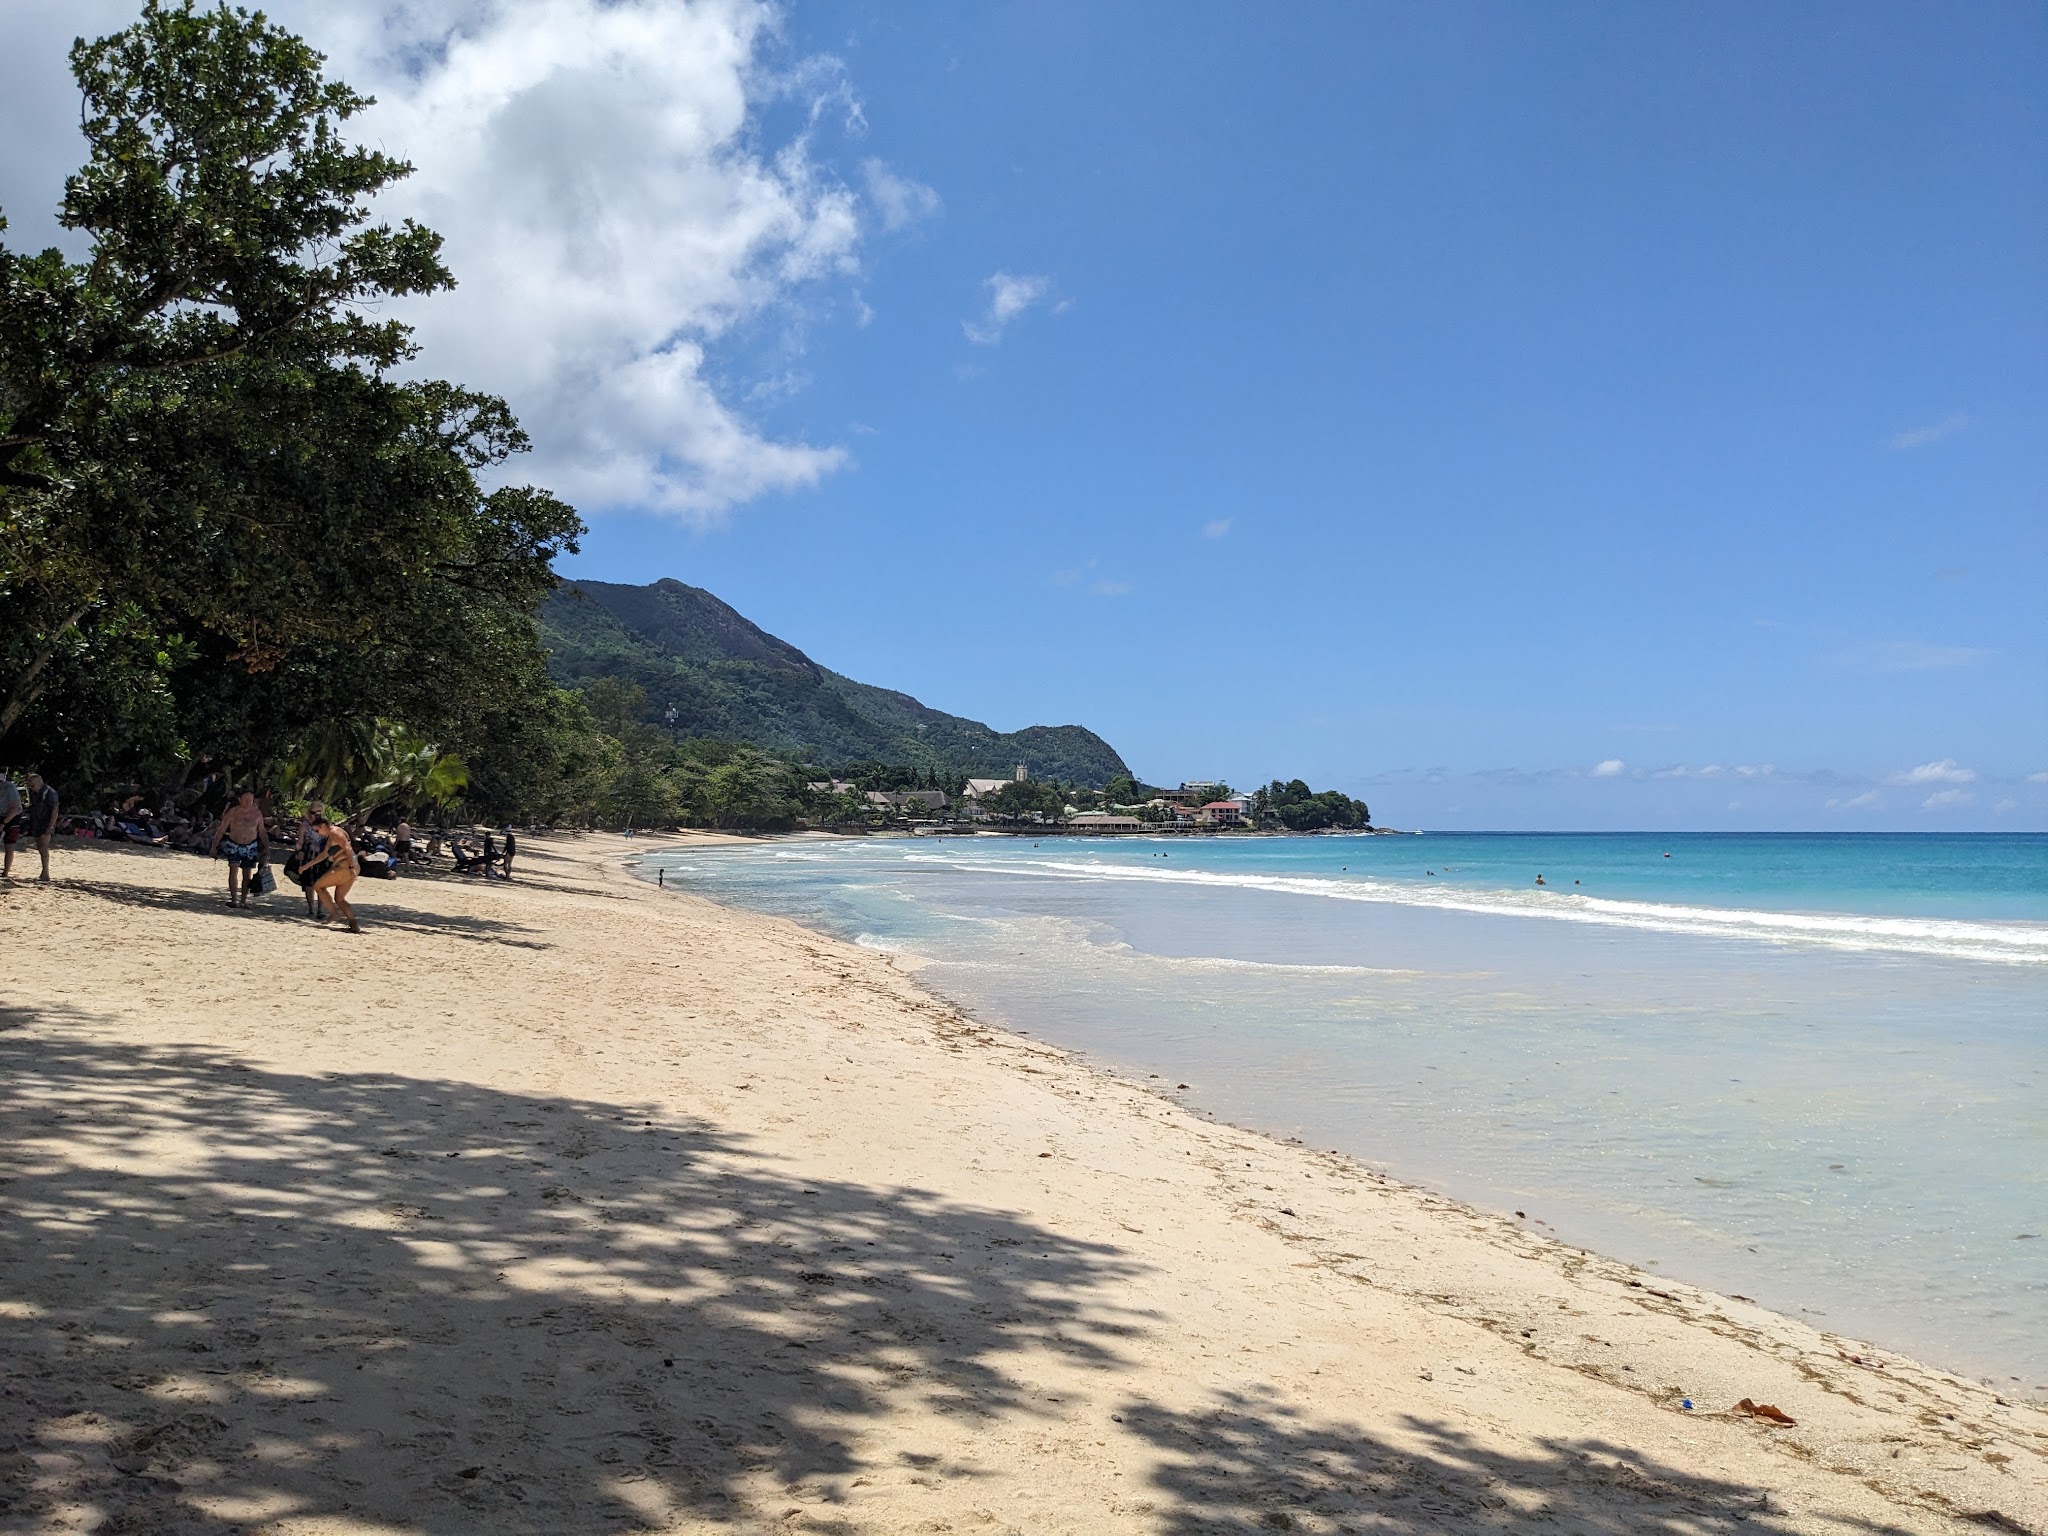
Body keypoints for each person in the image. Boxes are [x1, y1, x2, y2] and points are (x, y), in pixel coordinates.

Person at [302, 811, 361, 933]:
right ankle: (353, 924)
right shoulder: (332, 834)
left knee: (318, 886)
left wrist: (351, 868)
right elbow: (325, 854)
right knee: (339, 898)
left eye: (317, 831)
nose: (318, 834)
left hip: (345, 867)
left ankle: (334, 913)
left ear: (323, 826)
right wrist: (307, 866)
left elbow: (348, 849)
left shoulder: (336, 833)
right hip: (349, 867)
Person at [209, 790, 270, 908]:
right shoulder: (233, 812)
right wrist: (214, 846)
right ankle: (233, 899)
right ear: (240, 799)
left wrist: (267, 847)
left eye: (250, 799)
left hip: (250, 846)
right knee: (233, 871)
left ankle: (243, 900)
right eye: (246, 799)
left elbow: (262, 831)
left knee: (247, 874)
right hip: (234, 844)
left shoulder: (257, 814)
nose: (248, 802)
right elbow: (221, 830)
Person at [291, 801, 329, 918]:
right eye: (313, 813)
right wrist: (299, 851)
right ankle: (311, 908)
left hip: (322, 856)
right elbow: (300, 842)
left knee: (322, 883)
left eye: (319, 813)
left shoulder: (326, 824)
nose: (316, 816)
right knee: (308, 883)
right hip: (308, 855)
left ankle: (321, 910)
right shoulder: (305, 825)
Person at [22, 772, 59, 882]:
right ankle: (44, 872)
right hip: (36, 822)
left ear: (39, 782)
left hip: (46, 823)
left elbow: (55, 809)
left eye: (32, 785)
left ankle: (46, 873)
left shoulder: (50, 792)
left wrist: (51, 825)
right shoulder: (35, 793)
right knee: (40, 847)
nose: (31, 788)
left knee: (44, 847)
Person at [0, 770, 21, 879]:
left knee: (9, 845)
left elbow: (14, 808)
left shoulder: (10, 788)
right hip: (1, 815)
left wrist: (4, 823)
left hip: (13, 817)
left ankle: (6, 872)